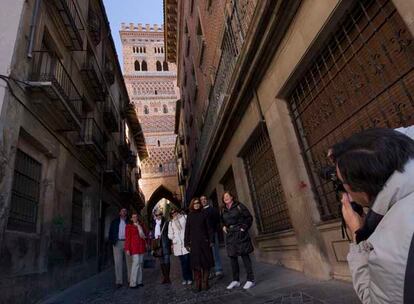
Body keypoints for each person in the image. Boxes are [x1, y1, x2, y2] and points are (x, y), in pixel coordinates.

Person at [333, 128, 414, 303]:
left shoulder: (392, 248)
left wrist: (358, 236)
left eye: (343, 183)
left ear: (362, 190)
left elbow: (375, 299)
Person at [221, 191, 255, 290]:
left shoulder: (239, 206)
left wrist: (243, 228)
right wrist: (223, 226)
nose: (226, 198)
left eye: (227, 196)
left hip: (240, 233)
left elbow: (249, 217)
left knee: (245, 256)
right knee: (232, 258)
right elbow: (221, 221)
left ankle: (250, 280)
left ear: (232, 197)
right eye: (224, 197)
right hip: (230, 234)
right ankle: (236, 280)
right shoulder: (223, 209)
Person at [185, 198, 214, 292]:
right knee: (196, 265)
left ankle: (205, 283)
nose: (196, 205)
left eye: (198, 203)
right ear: (192, 205)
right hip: (194, 244)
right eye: (195, 203)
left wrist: (211, 240)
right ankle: (198, 285)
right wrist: (186, 243)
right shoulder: (189, 216)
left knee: (206, 263)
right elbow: (187, 231)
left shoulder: (204, 214)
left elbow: (209, 228)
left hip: (204, 242)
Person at [200, 195, 223, 278]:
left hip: (213, 234)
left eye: (204, 199)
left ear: (207, 200)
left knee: (215, 252)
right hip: (204, 237)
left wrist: (214, 230)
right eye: (201, 200)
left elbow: (217, 220)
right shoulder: (200, 211)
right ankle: (210, 272)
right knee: (207, 255)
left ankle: (218, 269)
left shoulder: (213, 210)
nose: (203, 201)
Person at [108, 208, 132, 288]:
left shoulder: (129, 222)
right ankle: (119, 281)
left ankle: (130, 280)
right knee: (118, 262)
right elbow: (111, 232)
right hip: (117, 243)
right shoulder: (115, 222)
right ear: (119, 212)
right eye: (122, 211)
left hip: (127, 242)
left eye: (125, 211)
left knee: (129, 262)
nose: (124, 212)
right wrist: (113, 242)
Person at [168, 208, 192, 285]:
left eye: (175, 212)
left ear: (177, 212)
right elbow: (169, 234)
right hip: (177, 245)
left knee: (187, 261)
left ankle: (190, 278)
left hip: (186, 243)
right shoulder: (171, 223)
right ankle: (185, 278)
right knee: (182, 263)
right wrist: (174, 238)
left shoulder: (184, 218)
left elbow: (189, 228)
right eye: (172, 213)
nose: (174, 214)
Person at [125, 213, 147, 288]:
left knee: (140, 263)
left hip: (141, 247)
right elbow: (127, 238)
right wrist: (127, 248)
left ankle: (139, 281)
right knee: (136, 263)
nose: (135, 218)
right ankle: (133, 283)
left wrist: (140, 227)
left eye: (136, 217)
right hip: (134, 247)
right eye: (133, 217)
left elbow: (145, 234)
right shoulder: (129, 226)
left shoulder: (141, 225)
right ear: (131, 218)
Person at [152, 211, 171, 284]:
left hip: (165, 244)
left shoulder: (166, 222)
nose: (158, 216)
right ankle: (165, 277)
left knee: (167, 261)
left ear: (161, 215)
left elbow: (169, 232)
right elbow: (153, 233)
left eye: (159, 214)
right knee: (161, 261)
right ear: (155, 216)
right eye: (156, 215)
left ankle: (167, 277)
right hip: (158, 245)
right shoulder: (154, 223)